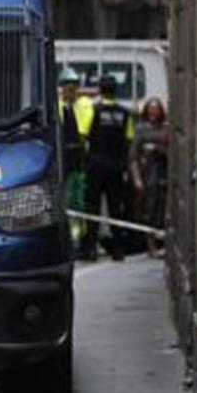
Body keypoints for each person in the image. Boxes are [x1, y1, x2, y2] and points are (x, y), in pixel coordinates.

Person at [81, 74, 135, 262]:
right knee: (115, 208)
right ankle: (118, 249)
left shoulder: (93, 110)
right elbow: (129, 140)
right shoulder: (124, 113)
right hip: (116, 167)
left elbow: (84, 134)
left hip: (95, 165)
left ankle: (91, 249)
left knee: (93, 207)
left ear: (100, 90)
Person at [58, 67, 94, 245]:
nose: (71, 91)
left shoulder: (85, 105)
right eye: (67, 87)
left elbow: (85, 131)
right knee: (62, 197)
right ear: (62, 89)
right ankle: (65, 238)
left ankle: (80, 238)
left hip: (79, 158)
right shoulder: (56, 107)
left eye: (74, 87)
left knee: (79, 199)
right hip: (61, 159)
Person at [130, 97, 170, 258]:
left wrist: (157, 149)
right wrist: (137, 178)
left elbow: (171, 149)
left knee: (163, 208)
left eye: (156, 109)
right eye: (151, 109)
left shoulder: (166, 129)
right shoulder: (140, 129)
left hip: (164, 172)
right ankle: (150, 245)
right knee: (149, 209)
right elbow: (133, 156)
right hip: (147, 173)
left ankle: (164, 243)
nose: (153, 112)